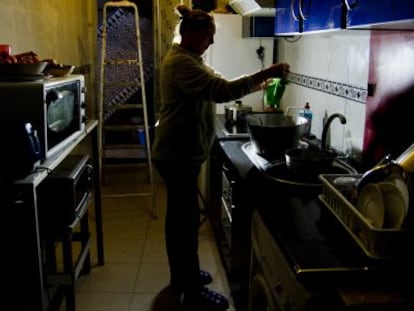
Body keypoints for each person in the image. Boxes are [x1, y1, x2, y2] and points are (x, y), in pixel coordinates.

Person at [151, 4, 289, 310]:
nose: (211, 43)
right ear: (190, 33)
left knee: (182, 222)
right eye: (208, 36)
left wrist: (260, 82)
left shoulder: (190, 58)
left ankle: (183, 276)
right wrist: (266, 71)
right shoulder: (181, 64)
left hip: (180, 153)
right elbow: (221, 90)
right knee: (184, 225)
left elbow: (220, 83)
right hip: (177, 156)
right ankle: (191, 293)